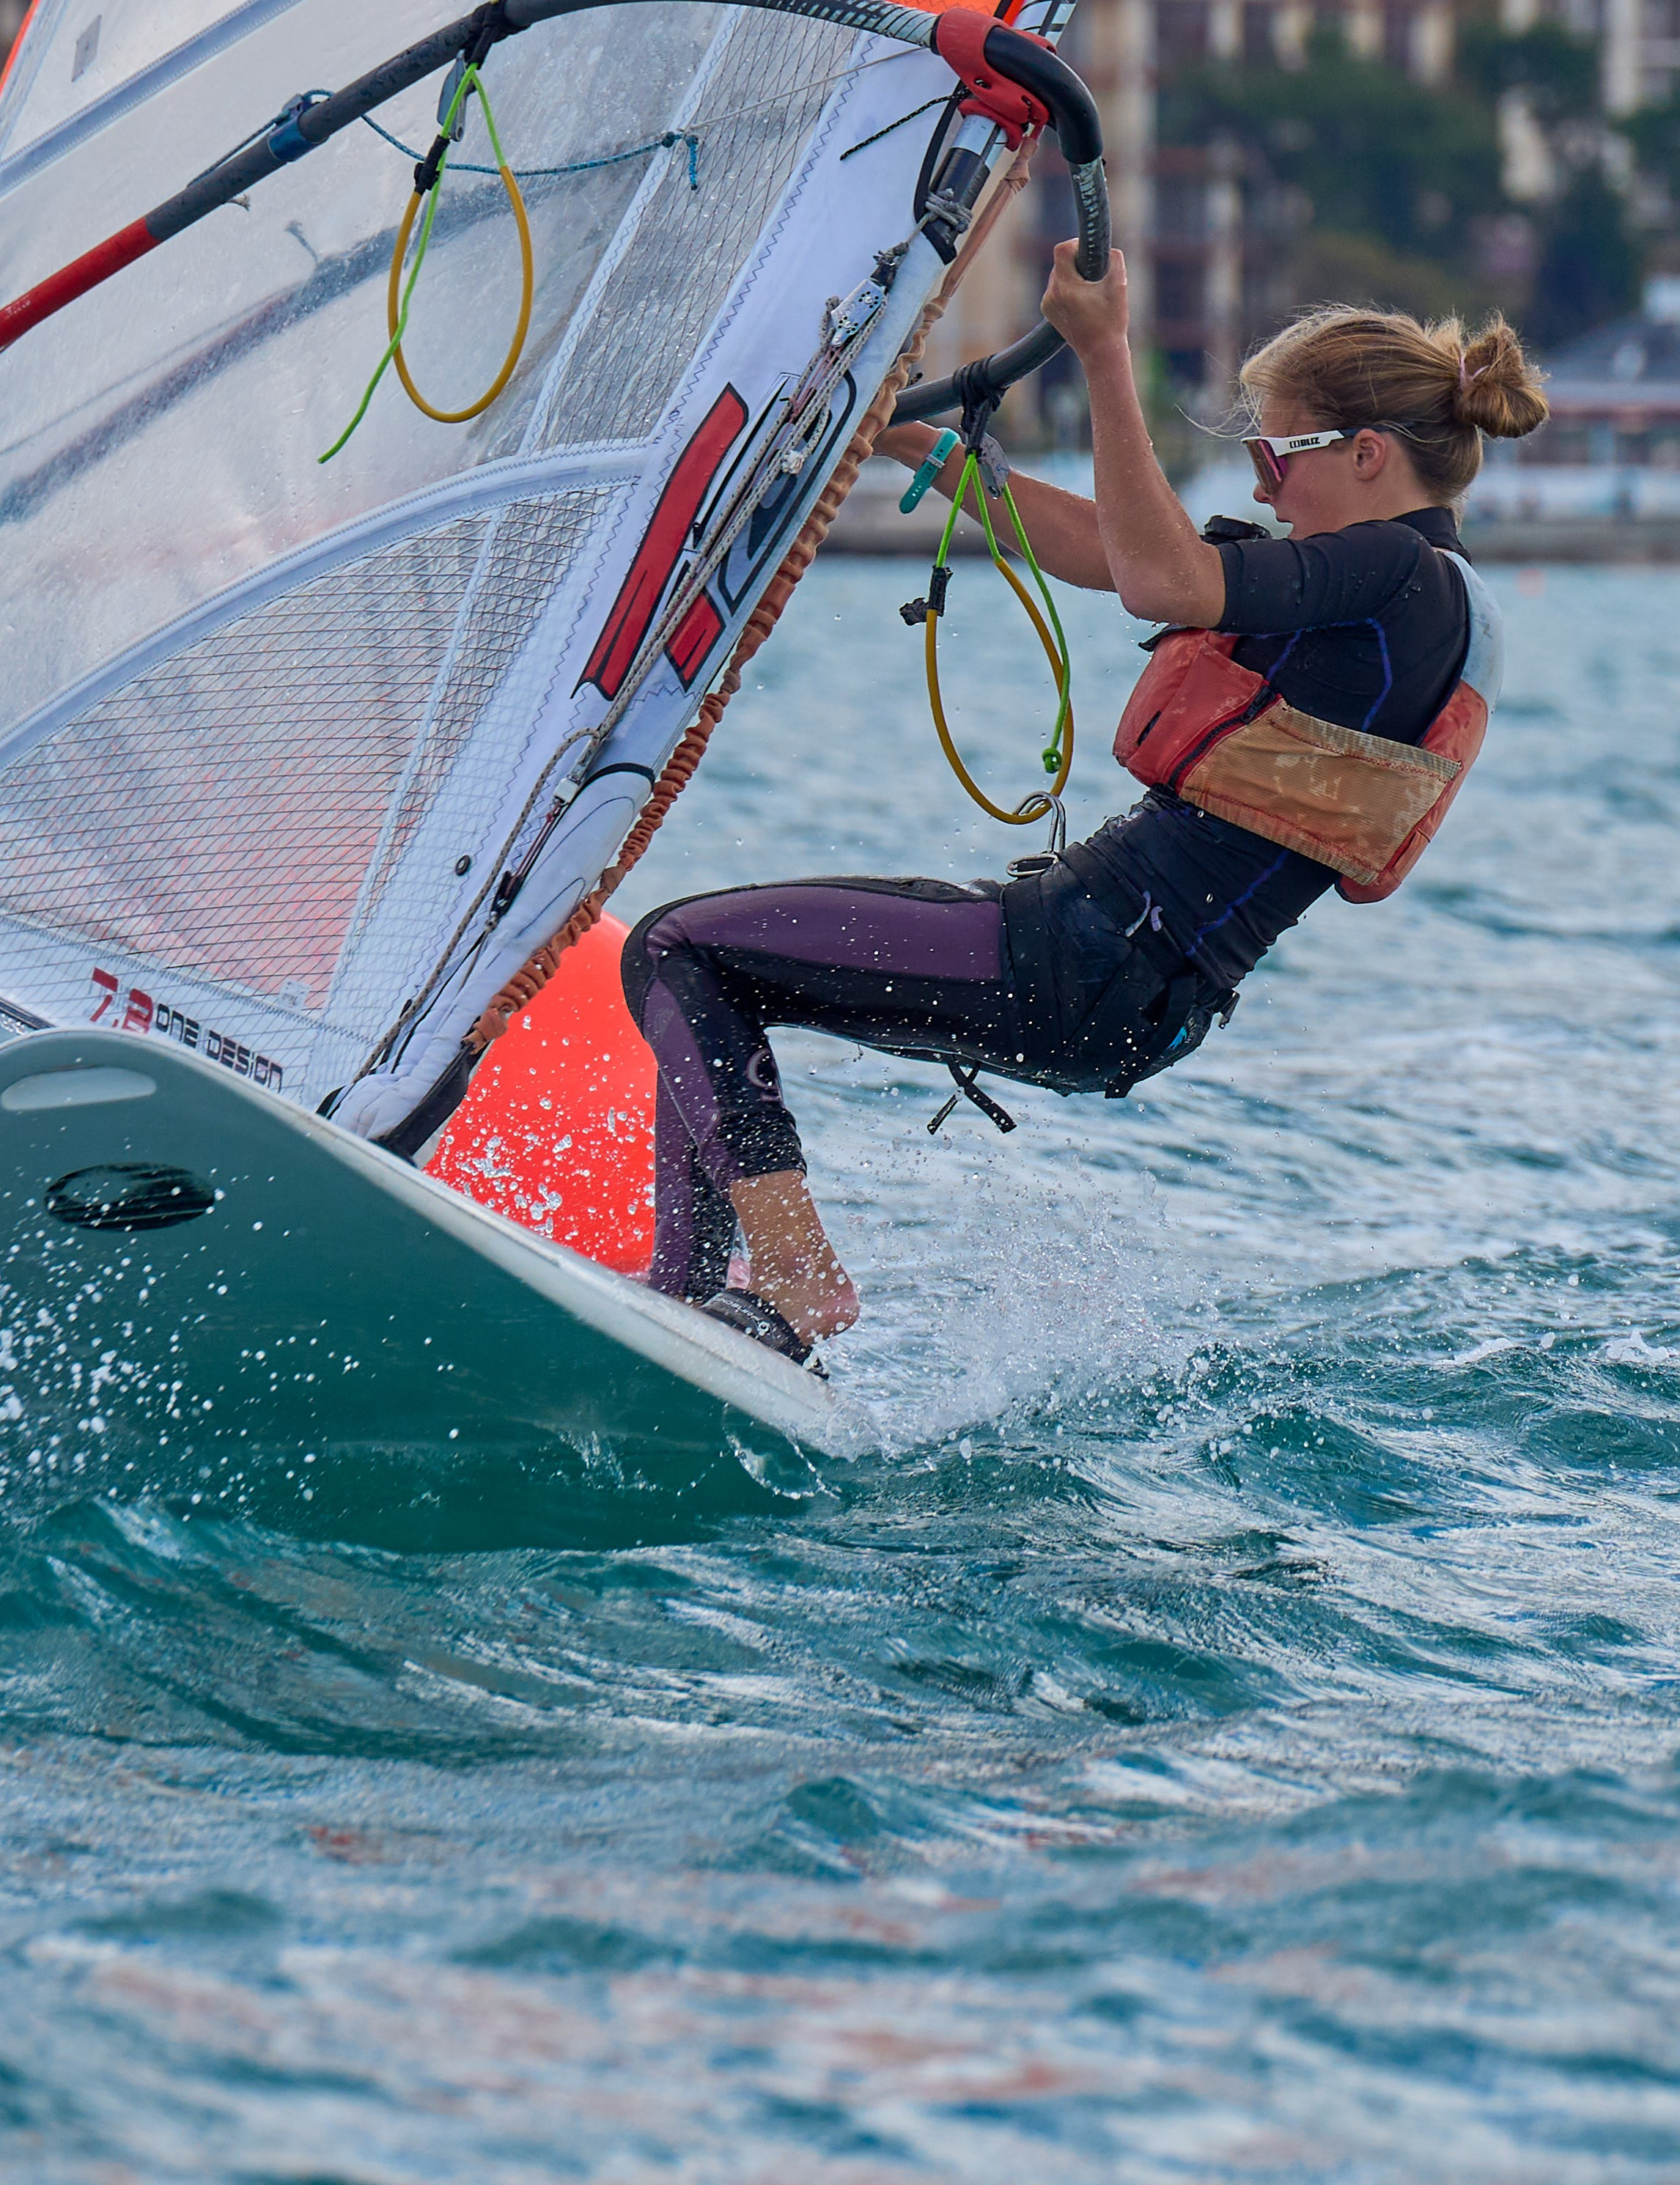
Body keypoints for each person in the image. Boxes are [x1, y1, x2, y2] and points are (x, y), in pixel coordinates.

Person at [621, 245, 1548, 1364]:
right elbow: (1106, 548)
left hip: (1087, 955)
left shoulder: (1396, 578)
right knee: (713, 968)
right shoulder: (1398, 597)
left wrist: (1107, 349)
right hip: (1124, 981)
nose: (1259, 483)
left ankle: (791, 1281)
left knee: (679, 954)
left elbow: (1163, 583)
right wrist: (899, 432)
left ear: (1365, 454)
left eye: (1271, 451)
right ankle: (694, 1317)